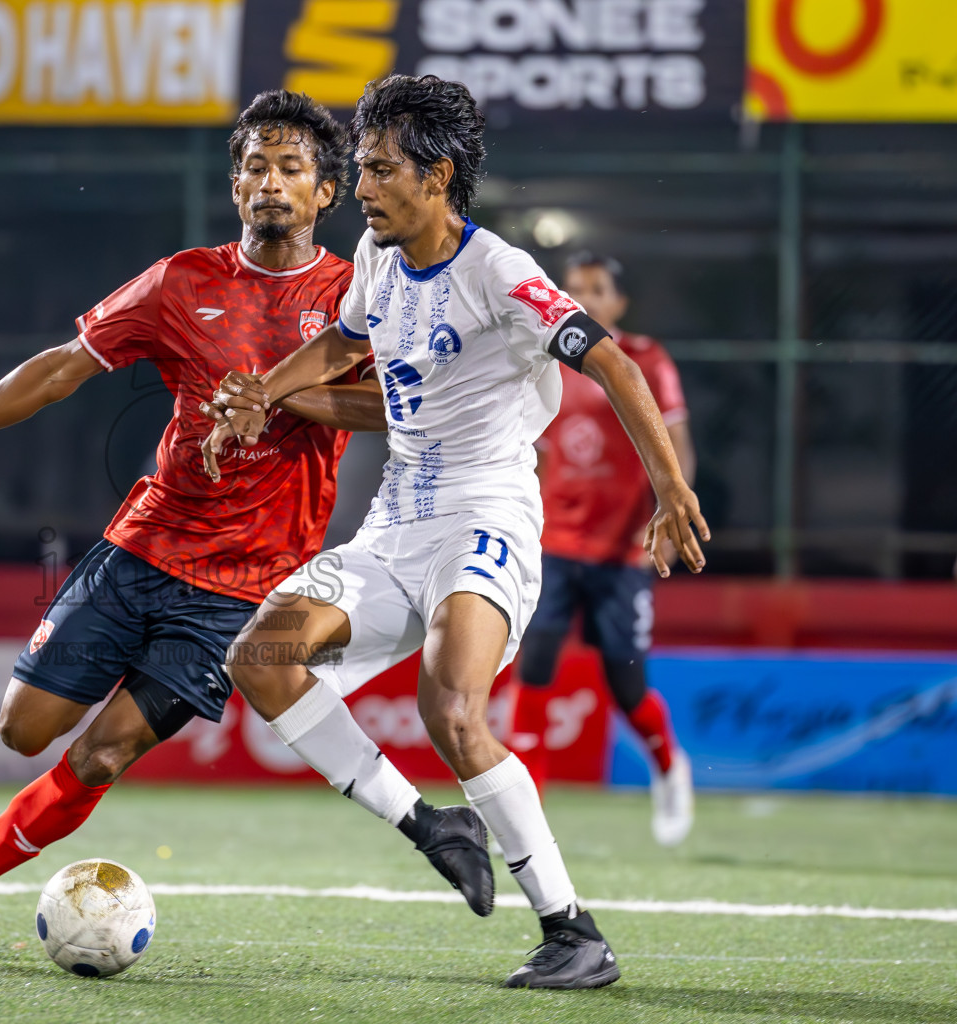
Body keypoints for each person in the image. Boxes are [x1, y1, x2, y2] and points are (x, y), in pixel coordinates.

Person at [0, 90, 496, 961]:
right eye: (254, 168)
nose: (270, 183)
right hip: (141, 549)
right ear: (235, 186)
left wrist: (282, 394)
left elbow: (400, 402)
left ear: (325, 195)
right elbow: (56, 373)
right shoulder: (182, 281)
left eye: (291, 169)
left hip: (241, 592)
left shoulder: (360, 291)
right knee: (22, 729)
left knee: (105, 755)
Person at [209, 75, 709, 990]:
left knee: (451, 709)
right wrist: (263, 389)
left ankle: (572, 931)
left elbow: (609, 362)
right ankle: (431, 825)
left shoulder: (500, 272)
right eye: (358, 168)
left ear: (436, 177)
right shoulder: (376, 254)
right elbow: (340, 344)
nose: (359, 186)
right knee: (261, 657)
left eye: (378, 169)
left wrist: (669, 489)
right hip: (395, 520)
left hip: (487, 516)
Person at [510, 251, 696, 846]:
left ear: (618, 302)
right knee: (532, 666)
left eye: (596, 289)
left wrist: (670, 514)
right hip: (552, 546)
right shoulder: (543, 360)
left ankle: (669, 767)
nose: (583, 298)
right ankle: (526, 817)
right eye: (572, 288)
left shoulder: (644, 360)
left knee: (626, 685)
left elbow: (677, 449)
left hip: (622, 551)